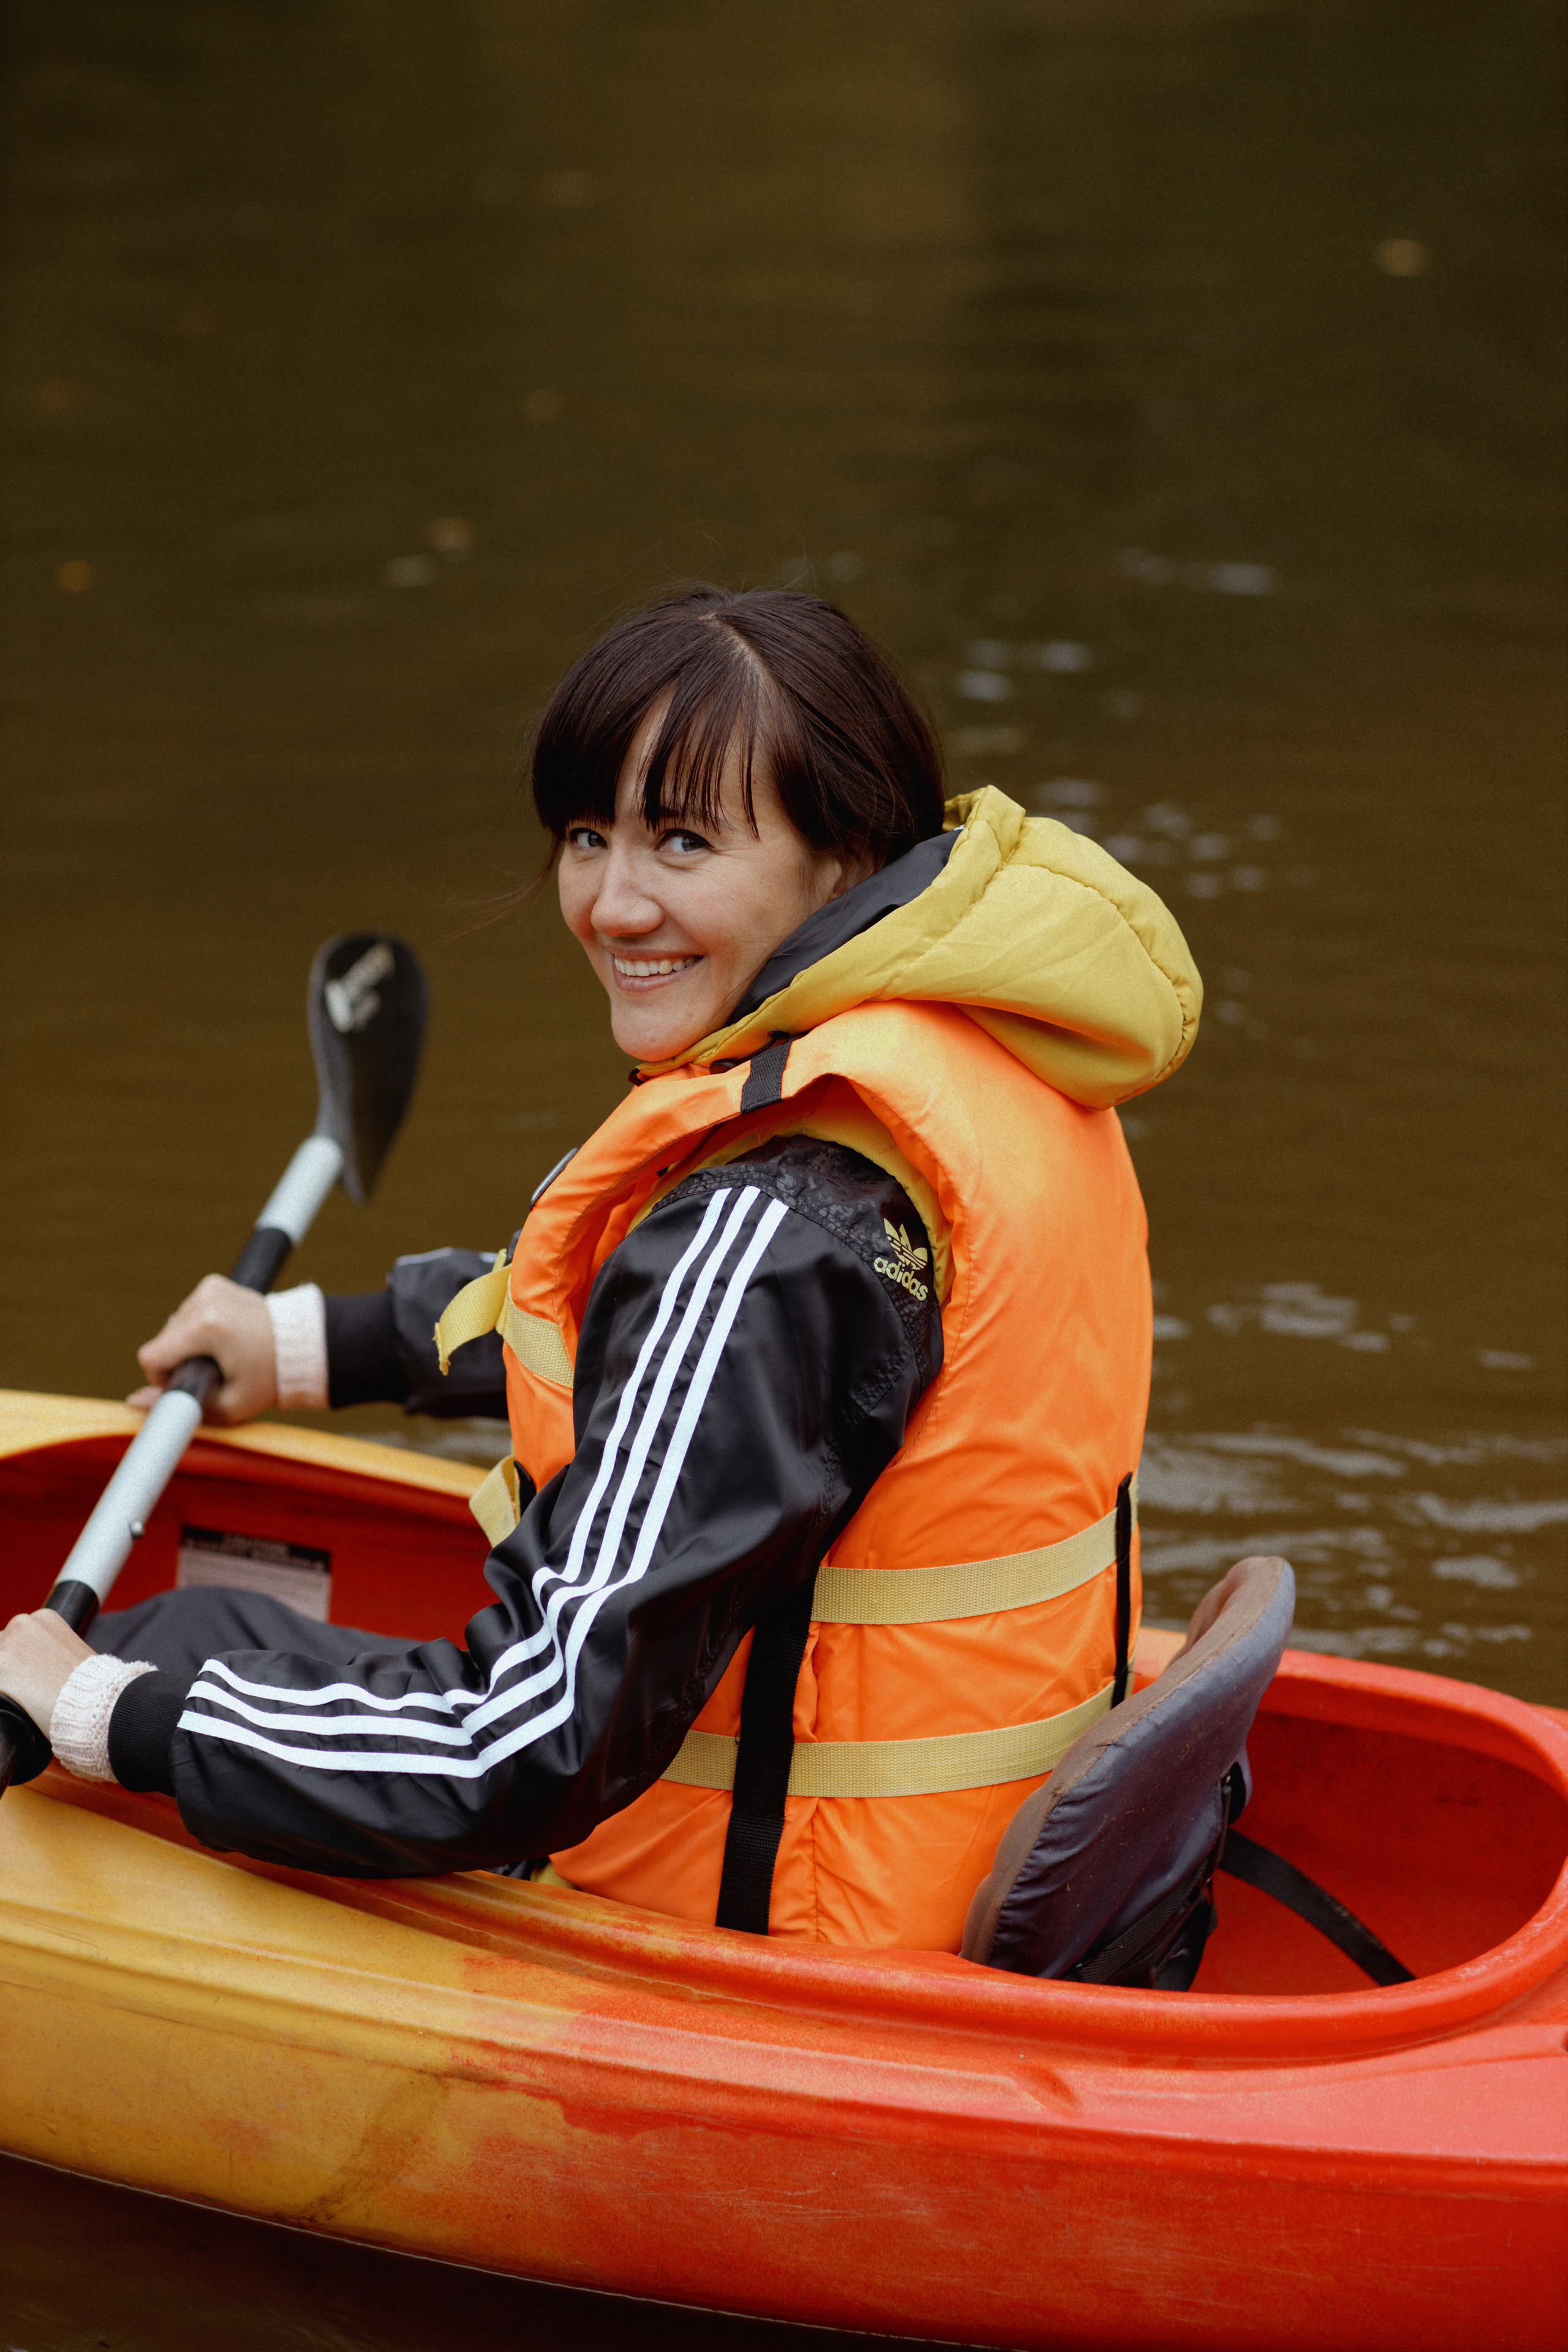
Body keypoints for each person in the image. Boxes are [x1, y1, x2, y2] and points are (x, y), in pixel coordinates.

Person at [0, 586, 1200, 1949]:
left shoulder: (773, 1225)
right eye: (588, 837)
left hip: (770, 1928)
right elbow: (679, 1349)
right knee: (207, 1636)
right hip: (960, 1860)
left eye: (683, 842)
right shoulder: (979, 1049)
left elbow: (524, 1743)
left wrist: (104, 1713)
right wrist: (322, 1344)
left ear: (845, 854)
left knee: (161, 1654)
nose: (612, 905)